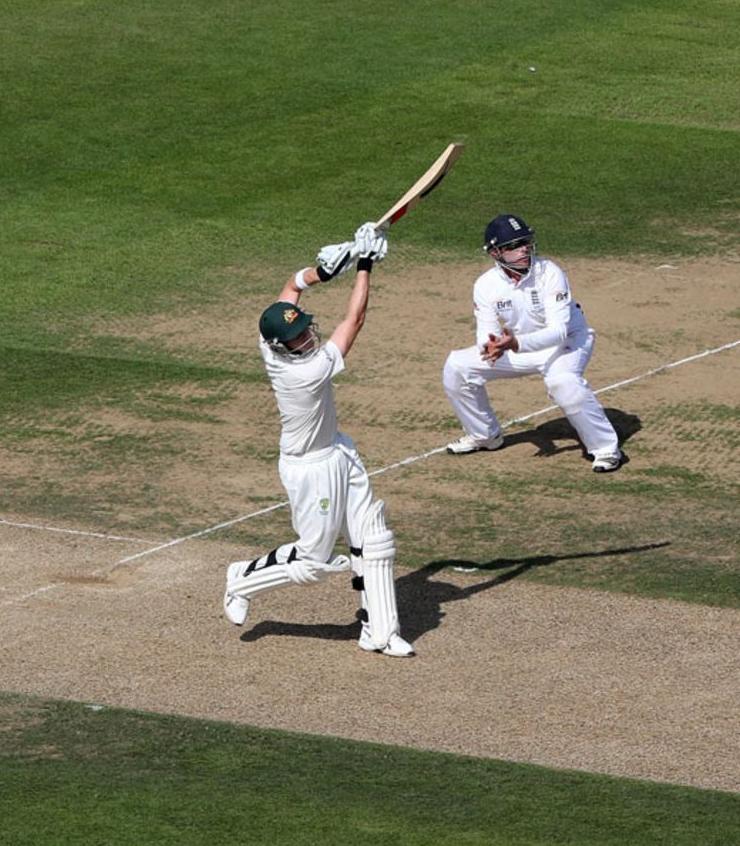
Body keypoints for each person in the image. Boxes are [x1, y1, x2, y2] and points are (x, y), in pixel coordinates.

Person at [222, 223, 414, 657]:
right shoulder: (305, 373)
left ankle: (380, 632)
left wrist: (321, 273)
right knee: (313, 562)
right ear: (282, 348)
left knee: (374, 539)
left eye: (307, 330)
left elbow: (290, 287)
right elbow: (355, 320)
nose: (309, 338)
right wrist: (364, 265)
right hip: (309, 468)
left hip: (339, 451)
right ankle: (241, 579)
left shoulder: (269, 339)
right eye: (298, 338)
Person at [442, 214, 623, 472]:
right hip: (516, 346)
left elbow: (559, 331)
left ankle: (606, 449)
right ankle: (484, 436)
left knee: (562, 383)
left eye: (525, 241)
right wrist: (491, 346)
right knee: (457, 366)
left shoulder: (549, 272)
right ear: (496, 253)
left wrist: (515, 344)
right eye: (515, 245)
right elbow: (486, 334)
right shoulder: (485, 285)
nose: (524, 248)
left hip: (567, 344)